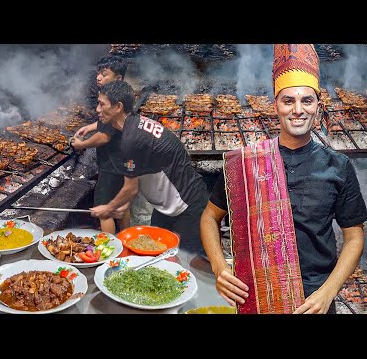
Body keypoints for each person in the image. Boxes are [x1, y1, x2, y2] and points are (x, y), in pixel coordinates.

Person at [200, 44, 367, 314]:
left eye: (306, 101)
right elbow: (210, 217)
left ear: (318, 106)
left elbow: (355, 236)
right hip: (257, 295)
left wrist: (329, 291)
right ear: (275, 105)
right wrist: (220, 267)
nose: (297, 110)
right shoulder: (245, 163)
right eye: (288, 100)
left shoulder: (338, 166)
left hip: (315, 302)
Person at [89, 80, 209, 252]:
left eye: (102, 104)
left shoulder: (131, 139)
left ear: (118, 107)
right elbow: (138, 175)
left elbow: (130, 188)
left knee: (191, 259)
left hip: (187, 204)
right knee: (155, 251)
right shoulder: (134, 125)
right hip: (165, 207)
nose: (97, 110)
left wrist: (108, 207)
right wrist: (123, 204)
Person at [71, 56, 130, 234]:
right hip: (124, 162)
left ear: (118, 78)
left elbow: (104, 137)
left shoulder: (111, 100)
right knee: (121, 206)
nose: (98, 77)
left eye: (104, 74)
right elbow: (108, 125)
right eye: (98, 73)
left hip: (111, 165)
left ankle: (110, 252)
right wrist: (91, 126)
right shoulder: (124, 95)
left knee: (104, 210)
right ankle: (127, 241)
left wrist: (82, 145)